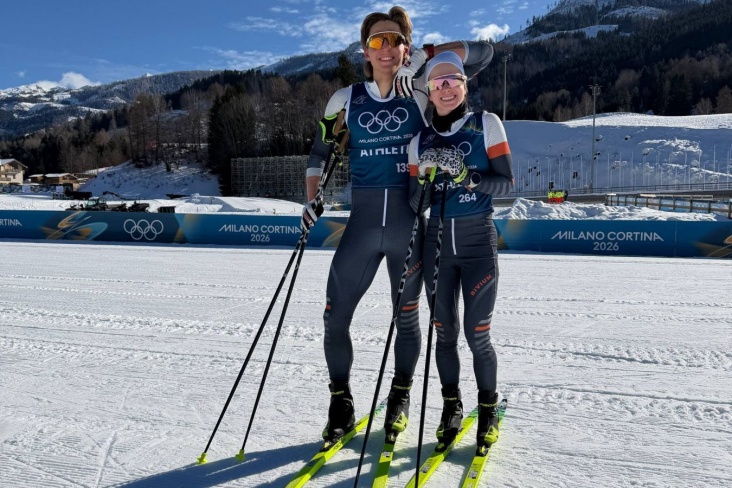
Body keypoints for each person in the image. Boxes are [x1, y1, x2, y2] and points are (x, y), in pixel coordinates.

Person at [301, 6, 495, 442]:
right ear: (365, 51)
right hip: (362, 227)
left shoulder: (424, 89)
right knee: (334, 318)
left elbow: (485, 53)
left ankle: (400, 395)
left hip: (409, 228)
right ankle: (341, 401)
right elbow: (318, 154)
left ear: (406, 47)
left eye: (395, 40)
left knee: (406, 320)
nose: (386, 48)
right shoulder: (344, 99)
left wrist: (426, 56)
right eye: (377, 41)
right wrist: (311, 199)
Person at [408, 51, 514, 449]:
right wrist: (425, 181)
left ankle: (488, 409)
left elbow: (506, 183)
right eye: (438, 83)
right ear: (429, 91)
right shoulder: (419, 141)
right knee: (444, 333)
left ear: (465, 86)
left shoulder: (486, 124)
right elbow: (414, 203)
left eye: (453, 80)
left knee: (477, 335)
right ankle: (451, 406)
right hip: (437, 243)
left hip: (477, 242)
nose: (446, 88)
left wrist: (468, 177)